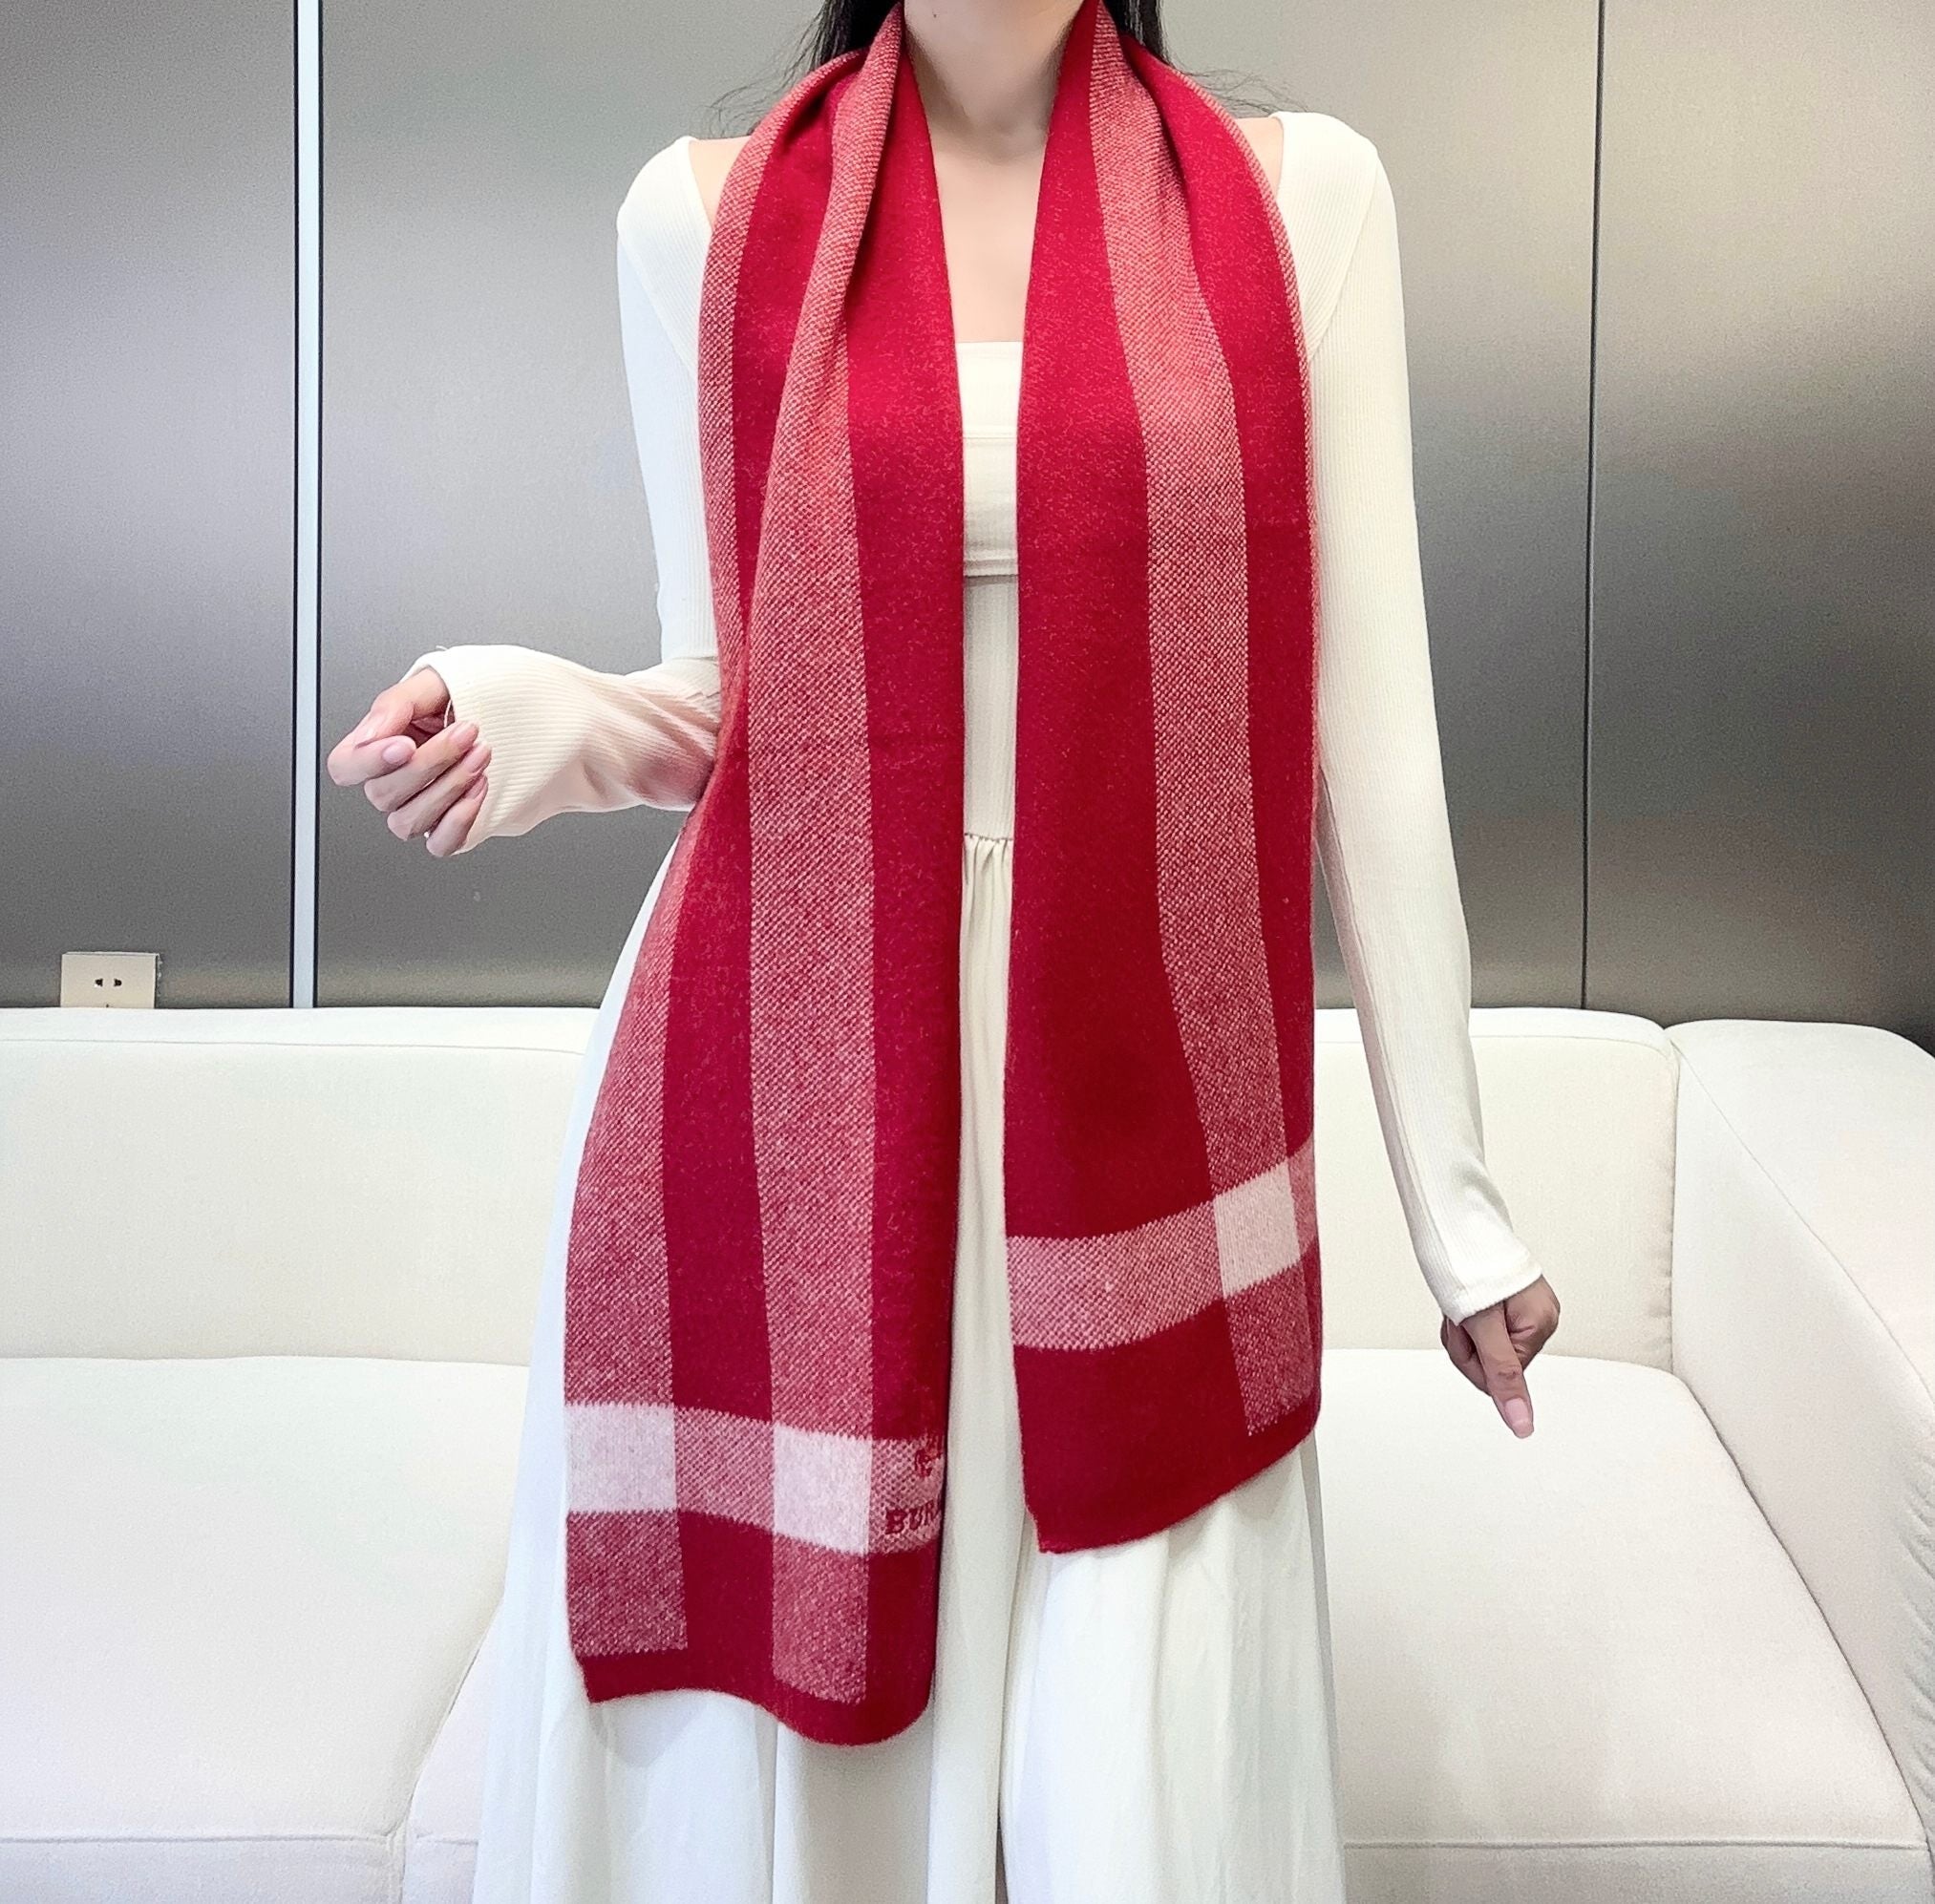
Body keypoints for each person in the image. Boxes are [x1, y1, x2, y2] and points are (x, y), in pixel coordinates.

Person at [330, 2, 1562, 1896]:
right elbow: (728, 692)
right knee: (812, 1778)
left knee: (1130, 1750)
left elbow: (1368, 734)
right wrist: (534, 720)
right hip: (805, 1084)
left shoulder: (1296, 202)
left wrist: (1457, 1209)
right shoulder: (698, 218)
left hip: (1135, 1086)